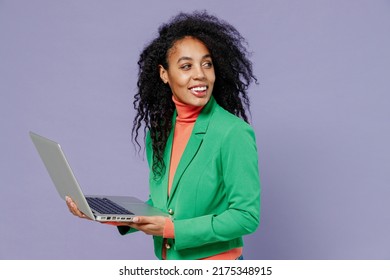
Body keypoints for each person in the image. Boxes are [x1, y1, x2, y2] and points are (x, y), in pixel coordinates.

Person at [66, 10, 260, 260]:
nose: (200, 74)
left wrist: (172, 229)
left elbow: (246, 217)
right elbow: (167, 205)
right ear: (164, 74)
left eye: (207, 64)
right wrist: (111, 215)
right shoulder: (159, 132)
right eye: (186, 66)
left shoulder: (233, 133)